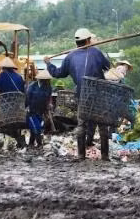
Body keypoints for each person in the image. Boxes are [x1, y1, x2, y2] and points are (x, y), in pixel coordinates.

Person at [45, 28, 111, 161]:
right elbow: (107, 66)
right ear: (88, 40)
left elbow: (58, 73)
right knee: (103, 124)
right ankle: (105, 156)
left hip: (82, 95)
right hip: (98, 93)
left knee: (82, 124)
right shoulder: (96, 52)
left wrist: (48, 64)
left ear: (77, 43)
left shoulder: (70, 56)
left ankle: (81, 155)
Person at [0, 57, 27, 148]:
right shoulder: (19, 76)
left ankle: (10, 140)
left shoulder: (1, 76)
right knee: (16, 121)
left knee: (7, 122)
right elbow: (23, 90)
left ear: (3, 67)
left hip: (5, 102)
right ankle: (19, 139)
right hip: (17, 102)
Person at [25, 70, 53, 147]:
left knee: (35, 127)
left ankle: (31, 143)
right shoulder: (32, 86)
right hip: (32, 111)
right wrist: (26, 107)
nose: (46, 81)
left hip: (41, 111)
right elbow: (27, 98)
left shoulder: (48, 87)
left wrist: (49, 104)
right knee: (36, 127)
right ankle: (39, 144)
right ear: (40, 79)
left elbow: (49, 98)